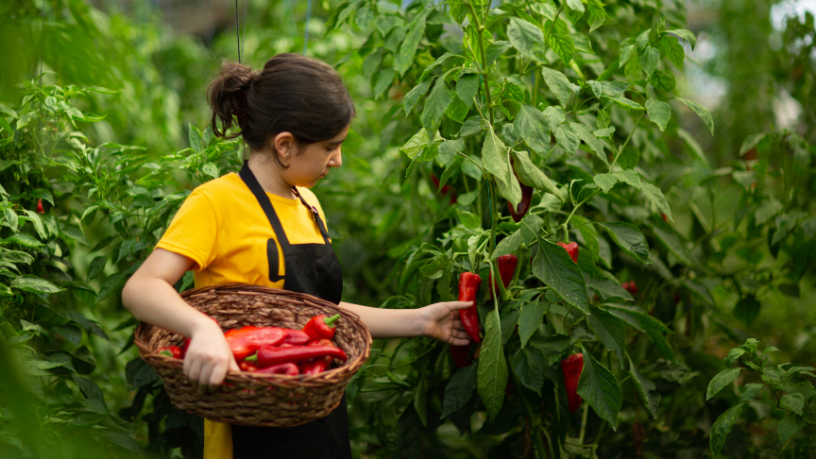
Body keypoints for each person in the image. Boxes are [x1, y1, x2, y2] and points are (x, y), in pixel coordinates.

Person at [121, 53, 473, 459]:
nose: (337, 160)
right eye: (330, 147)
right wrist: (203, 330)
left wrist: (421, 320)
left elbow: (320, 314)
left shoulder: (308, 203)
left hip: (318, 420)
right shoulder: (216, 203)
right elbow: (142, 288)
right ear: (285, 145)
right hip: (247, 428)